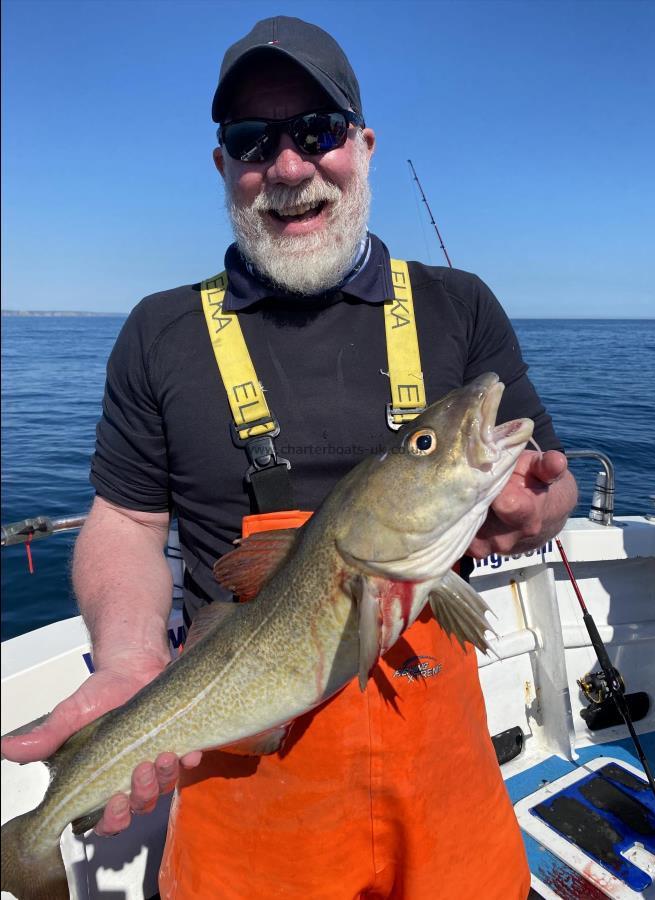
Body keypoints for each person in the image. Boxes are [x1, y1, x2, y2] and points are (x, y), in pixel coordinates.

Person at [1, 16, 577, 899]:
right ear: (223, 166)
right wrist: (125, 657)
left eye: (318, 131)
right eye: (250, 140)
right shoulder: (160, 331)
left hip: (442, 774)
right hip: (240, 776)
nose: (288, 165)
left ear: (363, 145)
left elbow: (549, 477)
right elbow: (124, 519)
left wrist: (539, 505)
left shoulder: (458, 307)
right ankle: (29, 843)